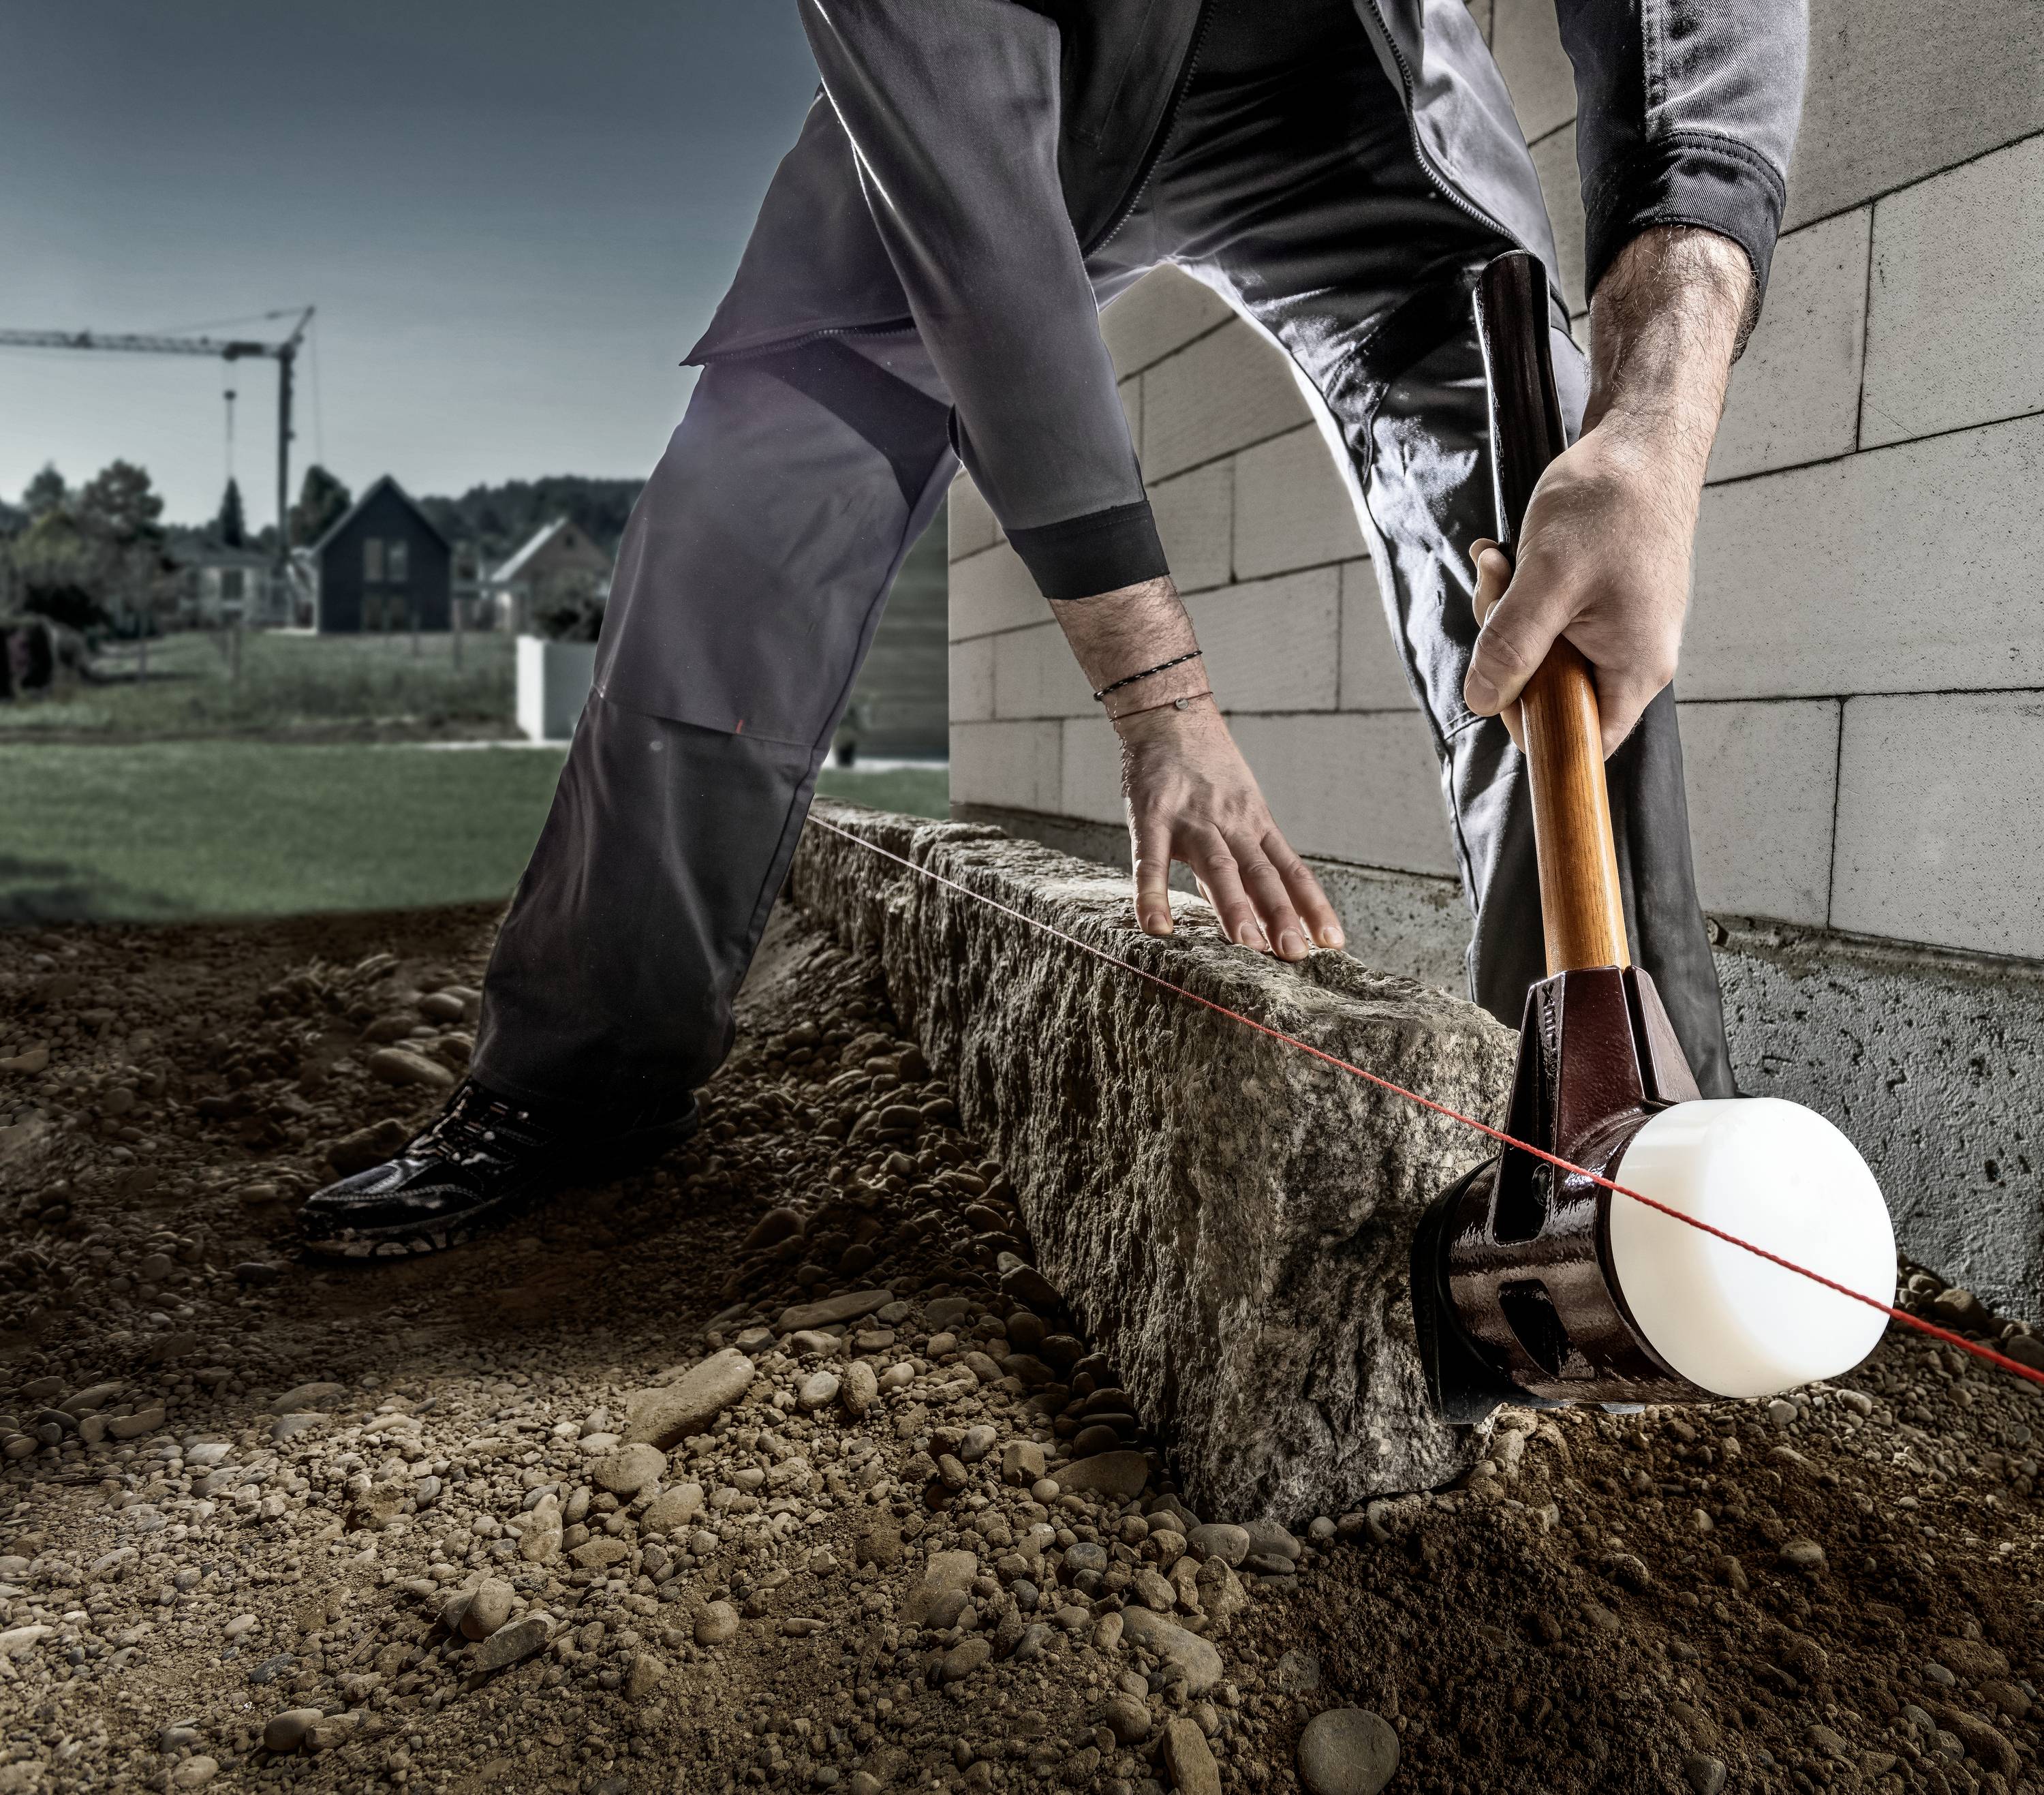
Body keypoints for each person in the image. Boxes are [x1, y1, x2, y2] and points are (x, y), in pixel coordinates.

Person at [298, 0, 1806, 1257]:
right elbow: (982, 233)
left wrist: (1655, 425)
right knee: (752, 497)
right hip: (1011, 94)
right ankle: (580, 1082)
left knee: (1545, 502)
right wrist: (1160, 699)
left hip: (1357, 85)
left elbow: (1692, 31)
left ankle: (1625, 1161)